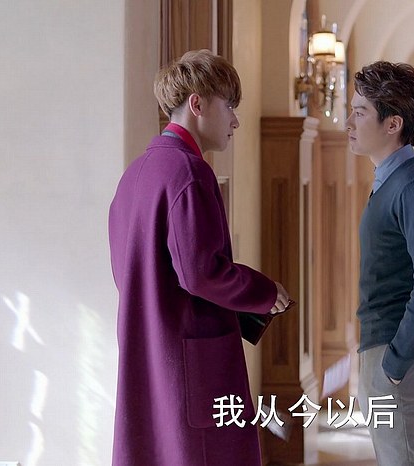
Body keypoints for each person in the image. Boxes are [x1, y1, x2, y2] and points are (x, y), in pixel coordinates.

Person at [108, 49, 291, 466]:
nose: (235, 121)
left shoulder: (134, 175)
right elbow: (199, 273)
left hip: (146, 347)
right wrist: (265, 292)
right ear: (198, 104)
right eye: (230, 106)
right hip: (189, 363)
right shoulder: (189, 172)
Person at [346, 61, 414, 465]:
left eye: (360, 112)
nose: (349, 122)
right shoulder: (392, 181)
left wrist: (393, 365)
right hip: (385, 351)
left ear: (393, 124)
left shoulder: (413, 185)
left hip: (399, 357)